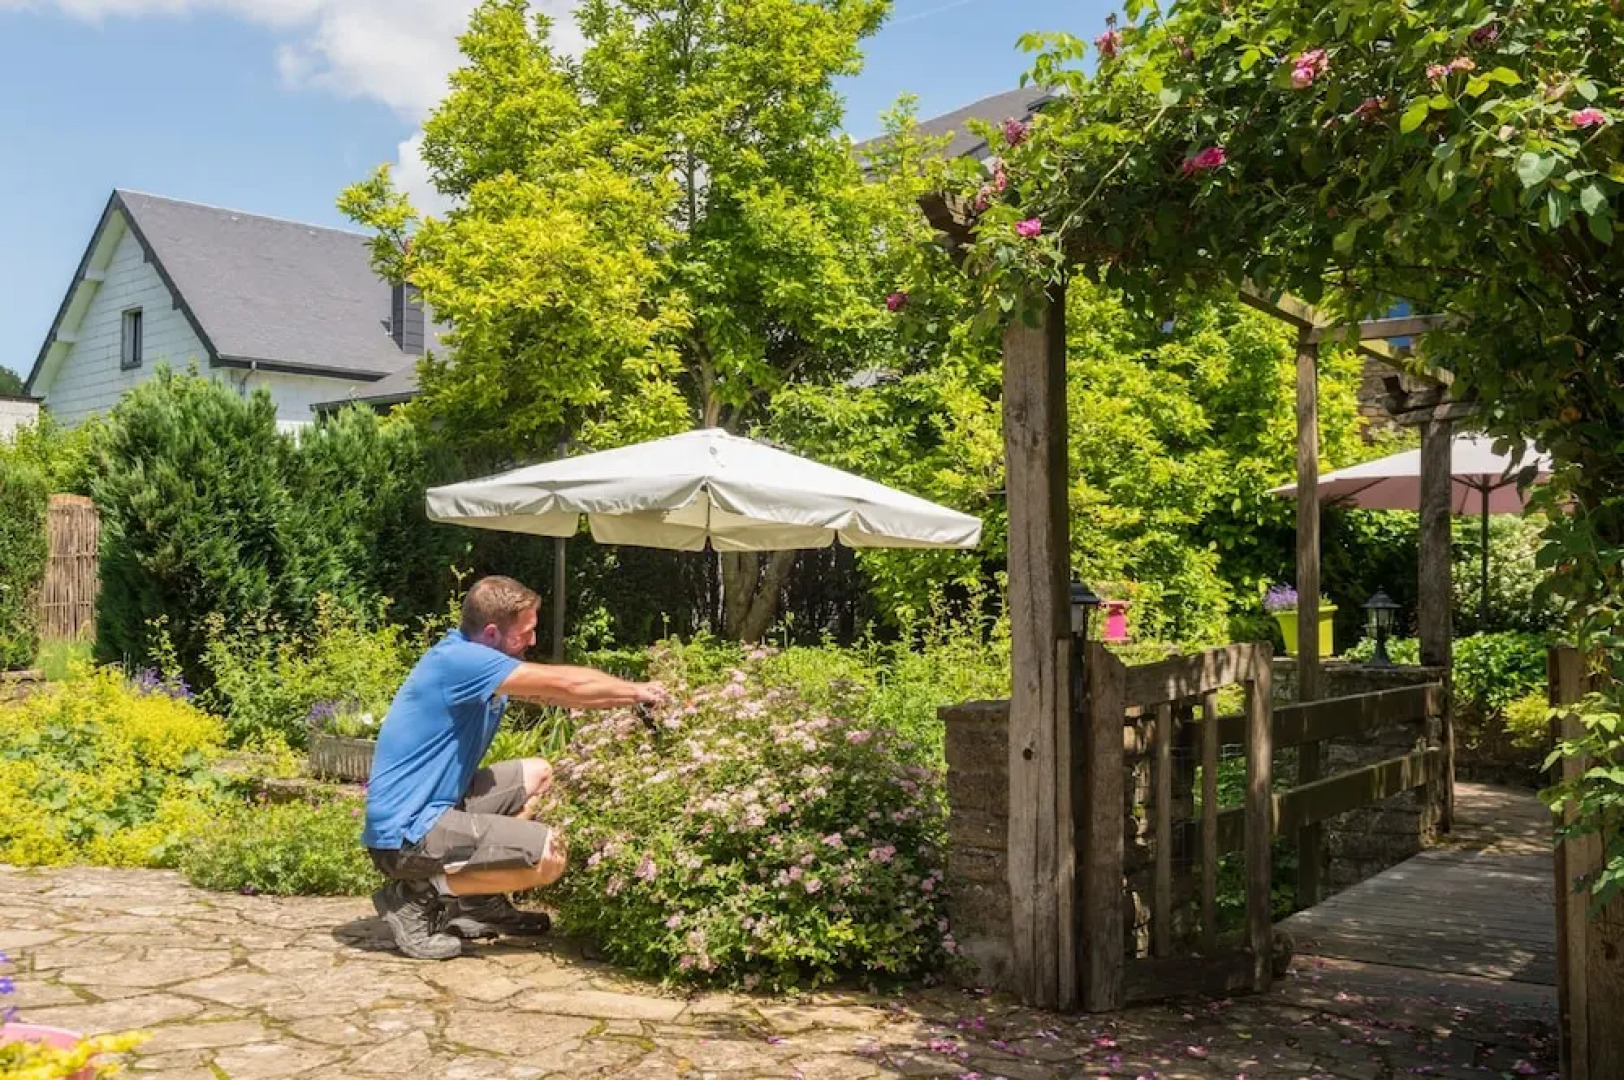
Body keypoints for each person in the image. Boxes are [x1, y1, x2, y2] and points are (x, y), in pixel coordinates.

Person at [362, 575, 665, 960]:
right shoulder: (461, 662)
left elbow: (554, 693)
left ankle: (477, 900)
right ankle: (414, 897)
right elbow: (565, 685)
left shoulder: (476, 660)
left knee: (538, 773)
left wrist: (628, 701)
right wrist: (638, 690)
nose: (533, 641)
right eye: (527, 632)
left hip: (437, 811)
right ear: (491, 632)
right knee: (548, 854)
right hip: (405, 835)